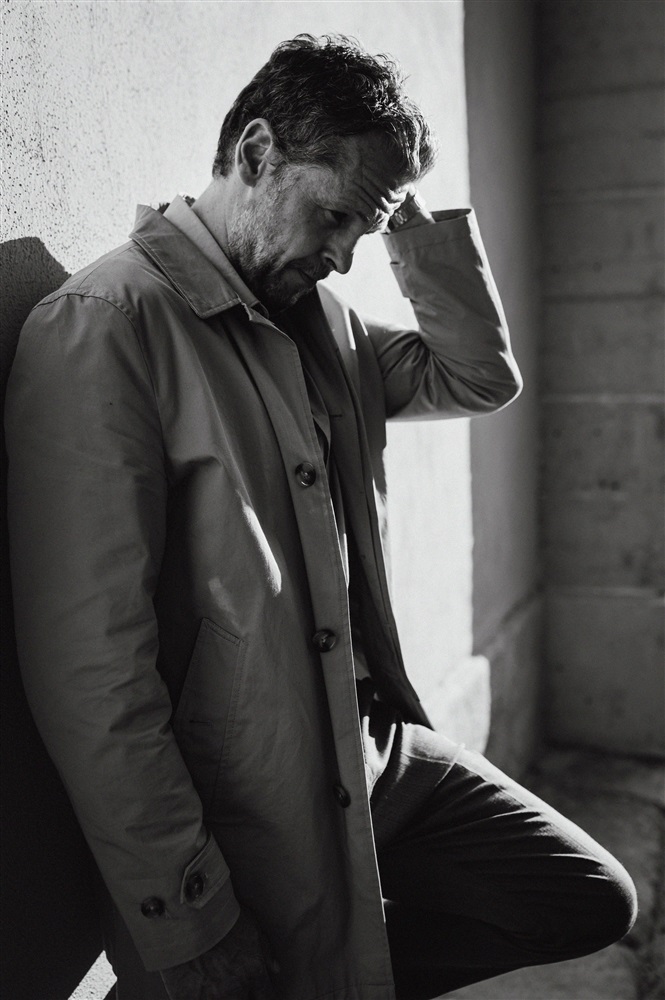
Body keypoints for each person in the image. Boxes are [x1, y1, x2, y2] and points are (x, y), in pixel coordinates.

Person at [5, 34, 636, 1000]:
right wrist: (186, 911)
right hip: (253, 798)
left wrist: (394, 206)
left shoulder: (320, 321)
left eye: (362, 230)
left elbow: (476, 376)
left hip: (373, 750)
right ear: (255, 153)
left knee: (584, 895)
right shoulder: (108, 324)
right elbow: (92, 670)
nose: (343, 258)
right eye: (334, 216)